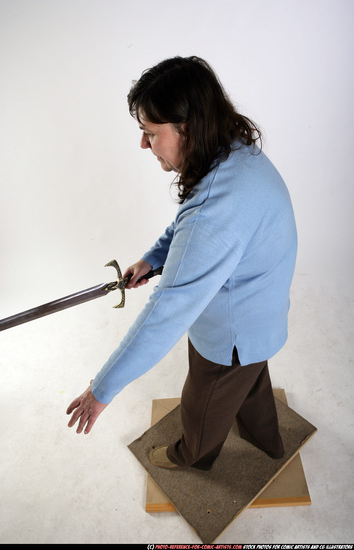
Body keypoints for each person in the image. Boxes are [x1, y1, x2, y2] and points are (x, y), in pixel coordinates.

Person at [67, 56, 297, 471]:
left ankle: (191, 457)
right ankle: (269, 442)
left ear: (186, 128)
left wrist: (100, 390)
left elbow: (164, 315)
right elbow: (191, 222)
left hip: (232, 335)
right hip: (260, 319)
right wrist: (153, 258)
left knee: (201, 406)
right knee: (250, 384)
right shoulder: (233, 154)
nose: (143, 144)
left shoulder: (214, 214)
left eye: (149, 133)